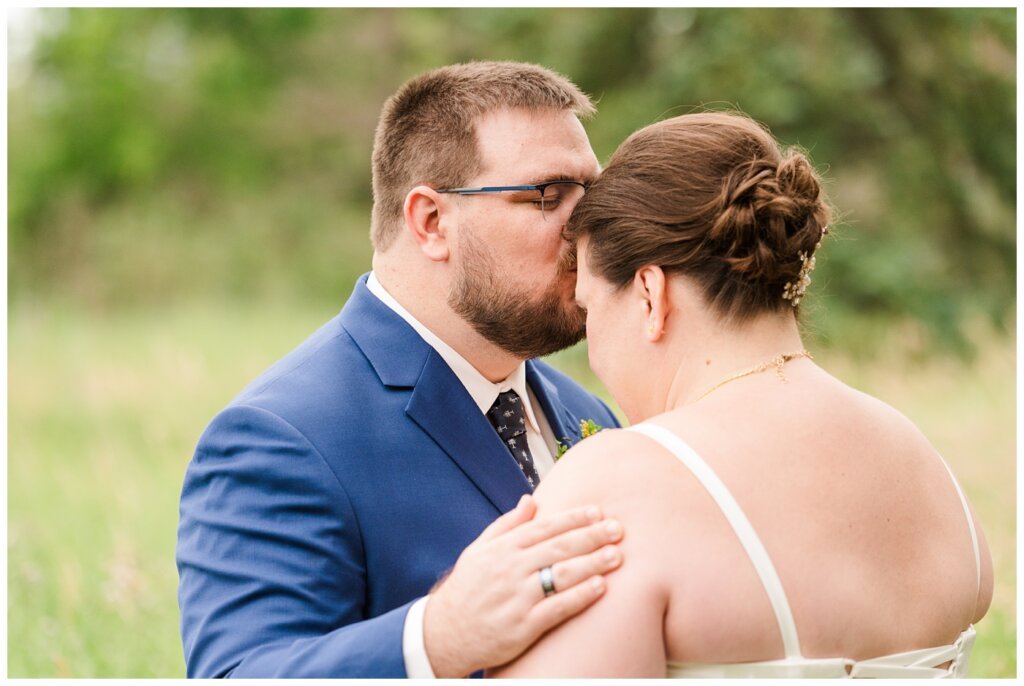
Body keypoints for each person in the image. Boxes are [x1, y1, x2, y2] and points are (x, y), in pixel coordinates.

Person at [491, 111, 993, 678]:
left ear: (650, 295)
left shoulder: (615, 485)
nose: (593, 345)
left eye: (590, 308)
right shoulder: (926, 464)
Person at [175, 61, 624, 678]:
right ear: (431, 222)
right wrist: (435, 639)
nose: (588, 226)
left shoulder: (589, 415)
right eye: (548, 195)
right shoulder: (278, 437)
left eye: (591, 194)